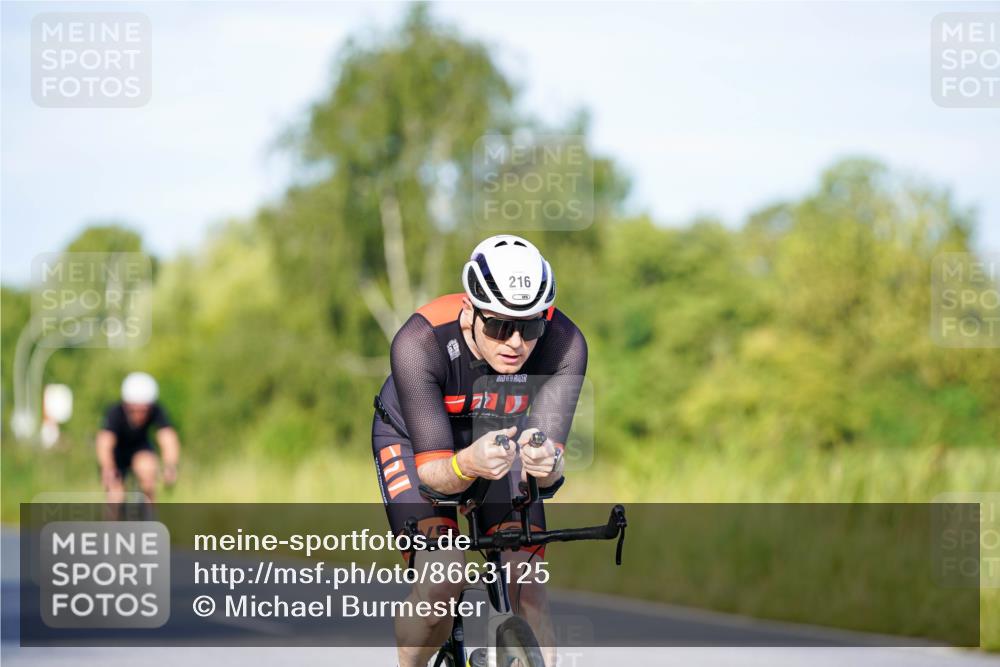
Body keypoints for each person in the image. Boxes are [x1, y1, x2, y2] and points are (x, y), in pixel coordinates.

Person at [372, 235, 587, 667]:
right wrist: (469, 462)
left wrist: (547, 464)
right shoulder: (420, 342)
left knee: (527, 586)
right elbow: (434, 474)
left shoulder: (565, 345)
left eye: (529, 327)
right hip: (416, 440)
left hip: (497, 437)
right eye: (498, 326)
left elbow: (550, 469)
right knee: (442, 580)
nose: (515, 343)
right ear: (470, 312)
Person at [96, 372, 181, 505]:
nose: (139, 415)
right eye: (135, 410)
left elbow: (167, 437)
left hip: (141, 448)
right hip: (116, 454)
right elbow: (104, 443)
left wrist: (170, 466)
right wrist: (107, 468)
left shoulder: (157, 410)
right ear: (126, 405)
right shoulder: (114, 412)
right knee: (115, 495)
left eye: (144, 410)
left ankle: (149, 520)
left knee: (148, 471)